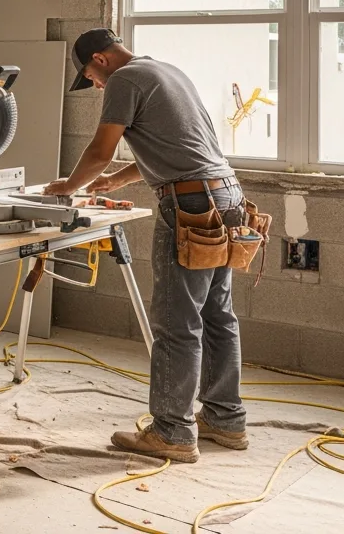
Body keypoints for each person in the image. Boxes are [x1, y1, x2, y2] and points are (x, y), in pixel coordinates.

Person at [41, 28, 248, 464]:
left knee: (177, 321)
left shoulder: (123, 80)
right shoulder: (167, 71)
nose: (95, 86)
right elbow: (178, 147)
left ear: (100, 59)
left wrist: (68, 187)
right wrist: (118, 180)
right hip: (226, 195)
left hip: (190, 204)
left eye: (90, 77)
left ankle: (172, 431)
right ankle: (225, 420)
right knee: (216, 314)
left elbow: (99, 150)